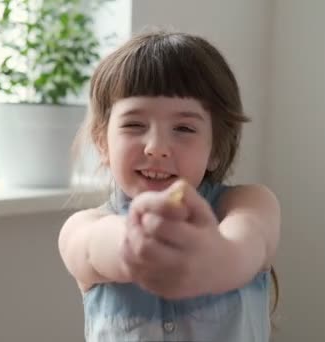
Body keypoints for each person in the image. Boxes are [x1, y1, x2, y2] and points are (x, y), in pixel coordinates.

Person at [59, 30, 281, 342]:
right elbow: (95, 248)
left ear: (216, 148)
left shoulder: (249, 204)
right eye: (135, 124)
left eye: (183, 128)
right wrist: (139, 239)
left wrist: (211, 257)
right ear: (103, 143)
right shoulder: (84, 228)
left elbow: (246, 246)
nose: (156, 147)